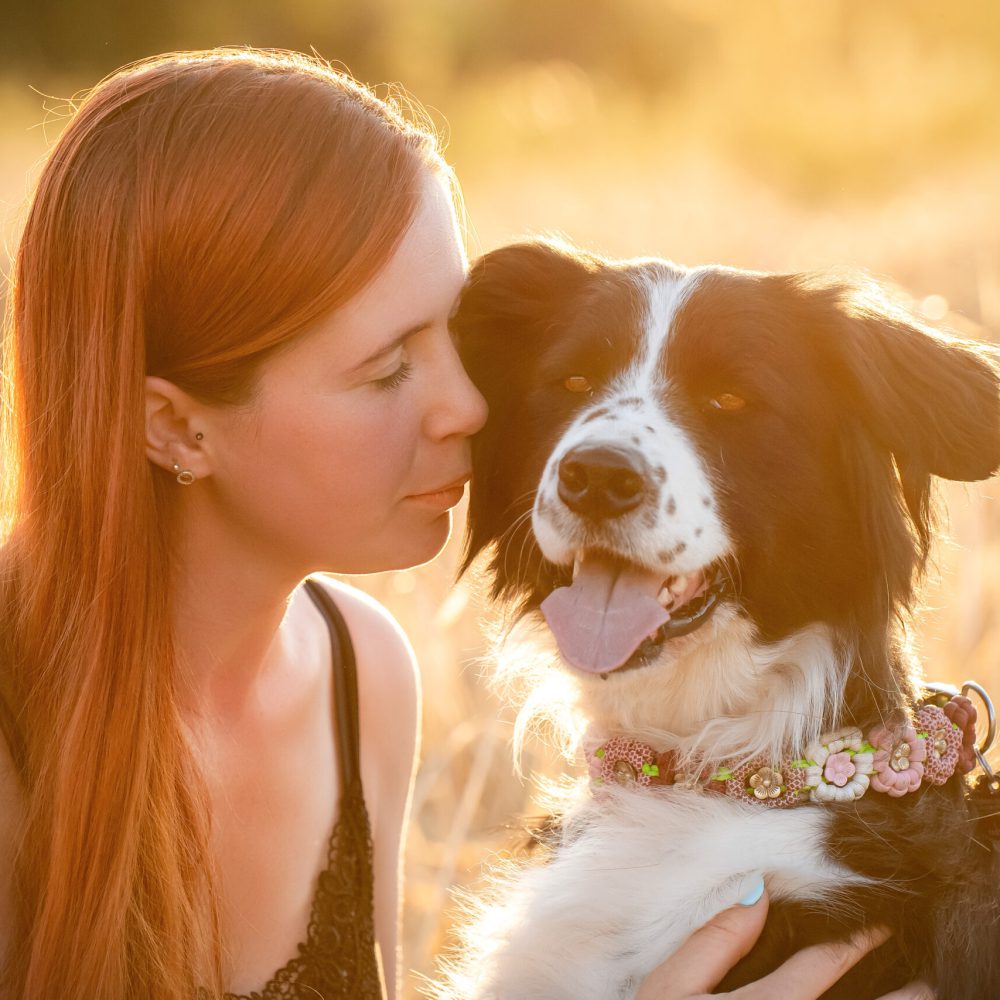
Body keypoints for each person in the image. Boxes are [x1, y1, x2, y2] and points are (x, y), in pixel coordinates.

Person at [0, 48, 931, 1000]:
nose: (473, 409)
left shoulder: (360, 673)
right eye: (387, 370)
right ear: (176, 426)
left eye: (457, 341)